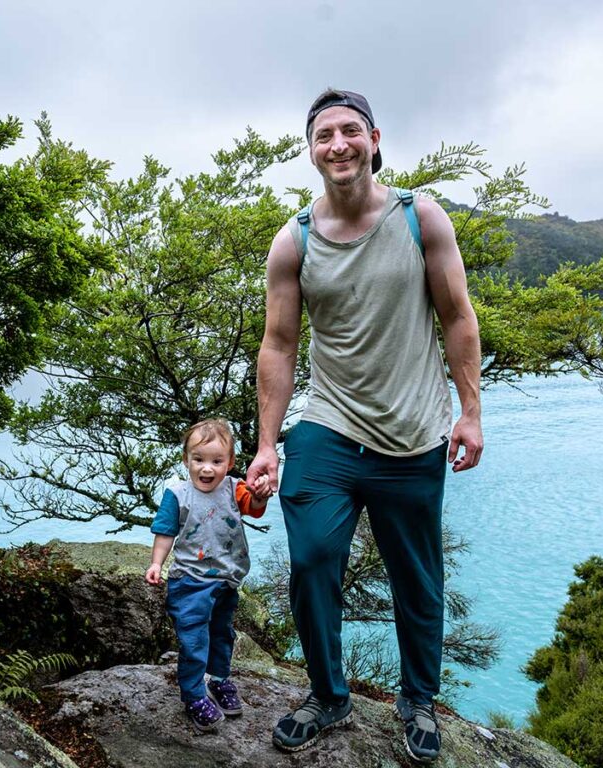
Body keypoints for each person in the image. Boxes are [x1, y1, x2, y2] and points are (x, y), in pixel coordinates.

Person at [245, 88, 483, 763]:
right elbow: (279, 345)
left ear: (375, 140)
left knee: (417, 577)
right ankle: (327, 694)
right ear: (311, 150)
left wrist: (469, 412)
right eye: (325, 135)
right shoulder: (293, 240)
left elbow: (458, 316)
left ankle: (417, 701)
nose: (339, 145)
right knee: (314, 556)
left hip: (414, 433)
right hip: (327, 424)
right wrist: (267, 445)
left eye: (350, 131)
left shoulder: (420, 218)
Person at [146, 418, 271, 733]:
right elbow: (165, 531)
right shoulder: (177, 494)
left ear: (229, 463)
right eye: (198, 459)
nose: (207, 468)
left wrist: (261, 493)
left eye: (217, 461)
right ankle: (193, 694)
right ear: (186, 460)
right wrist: (156, 564)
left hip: (226, 581)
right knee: (193, 640)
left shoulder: (233, 488)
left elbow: (254, 507)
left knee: (221, 633)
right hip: (190, 582)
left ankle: (219, 679)